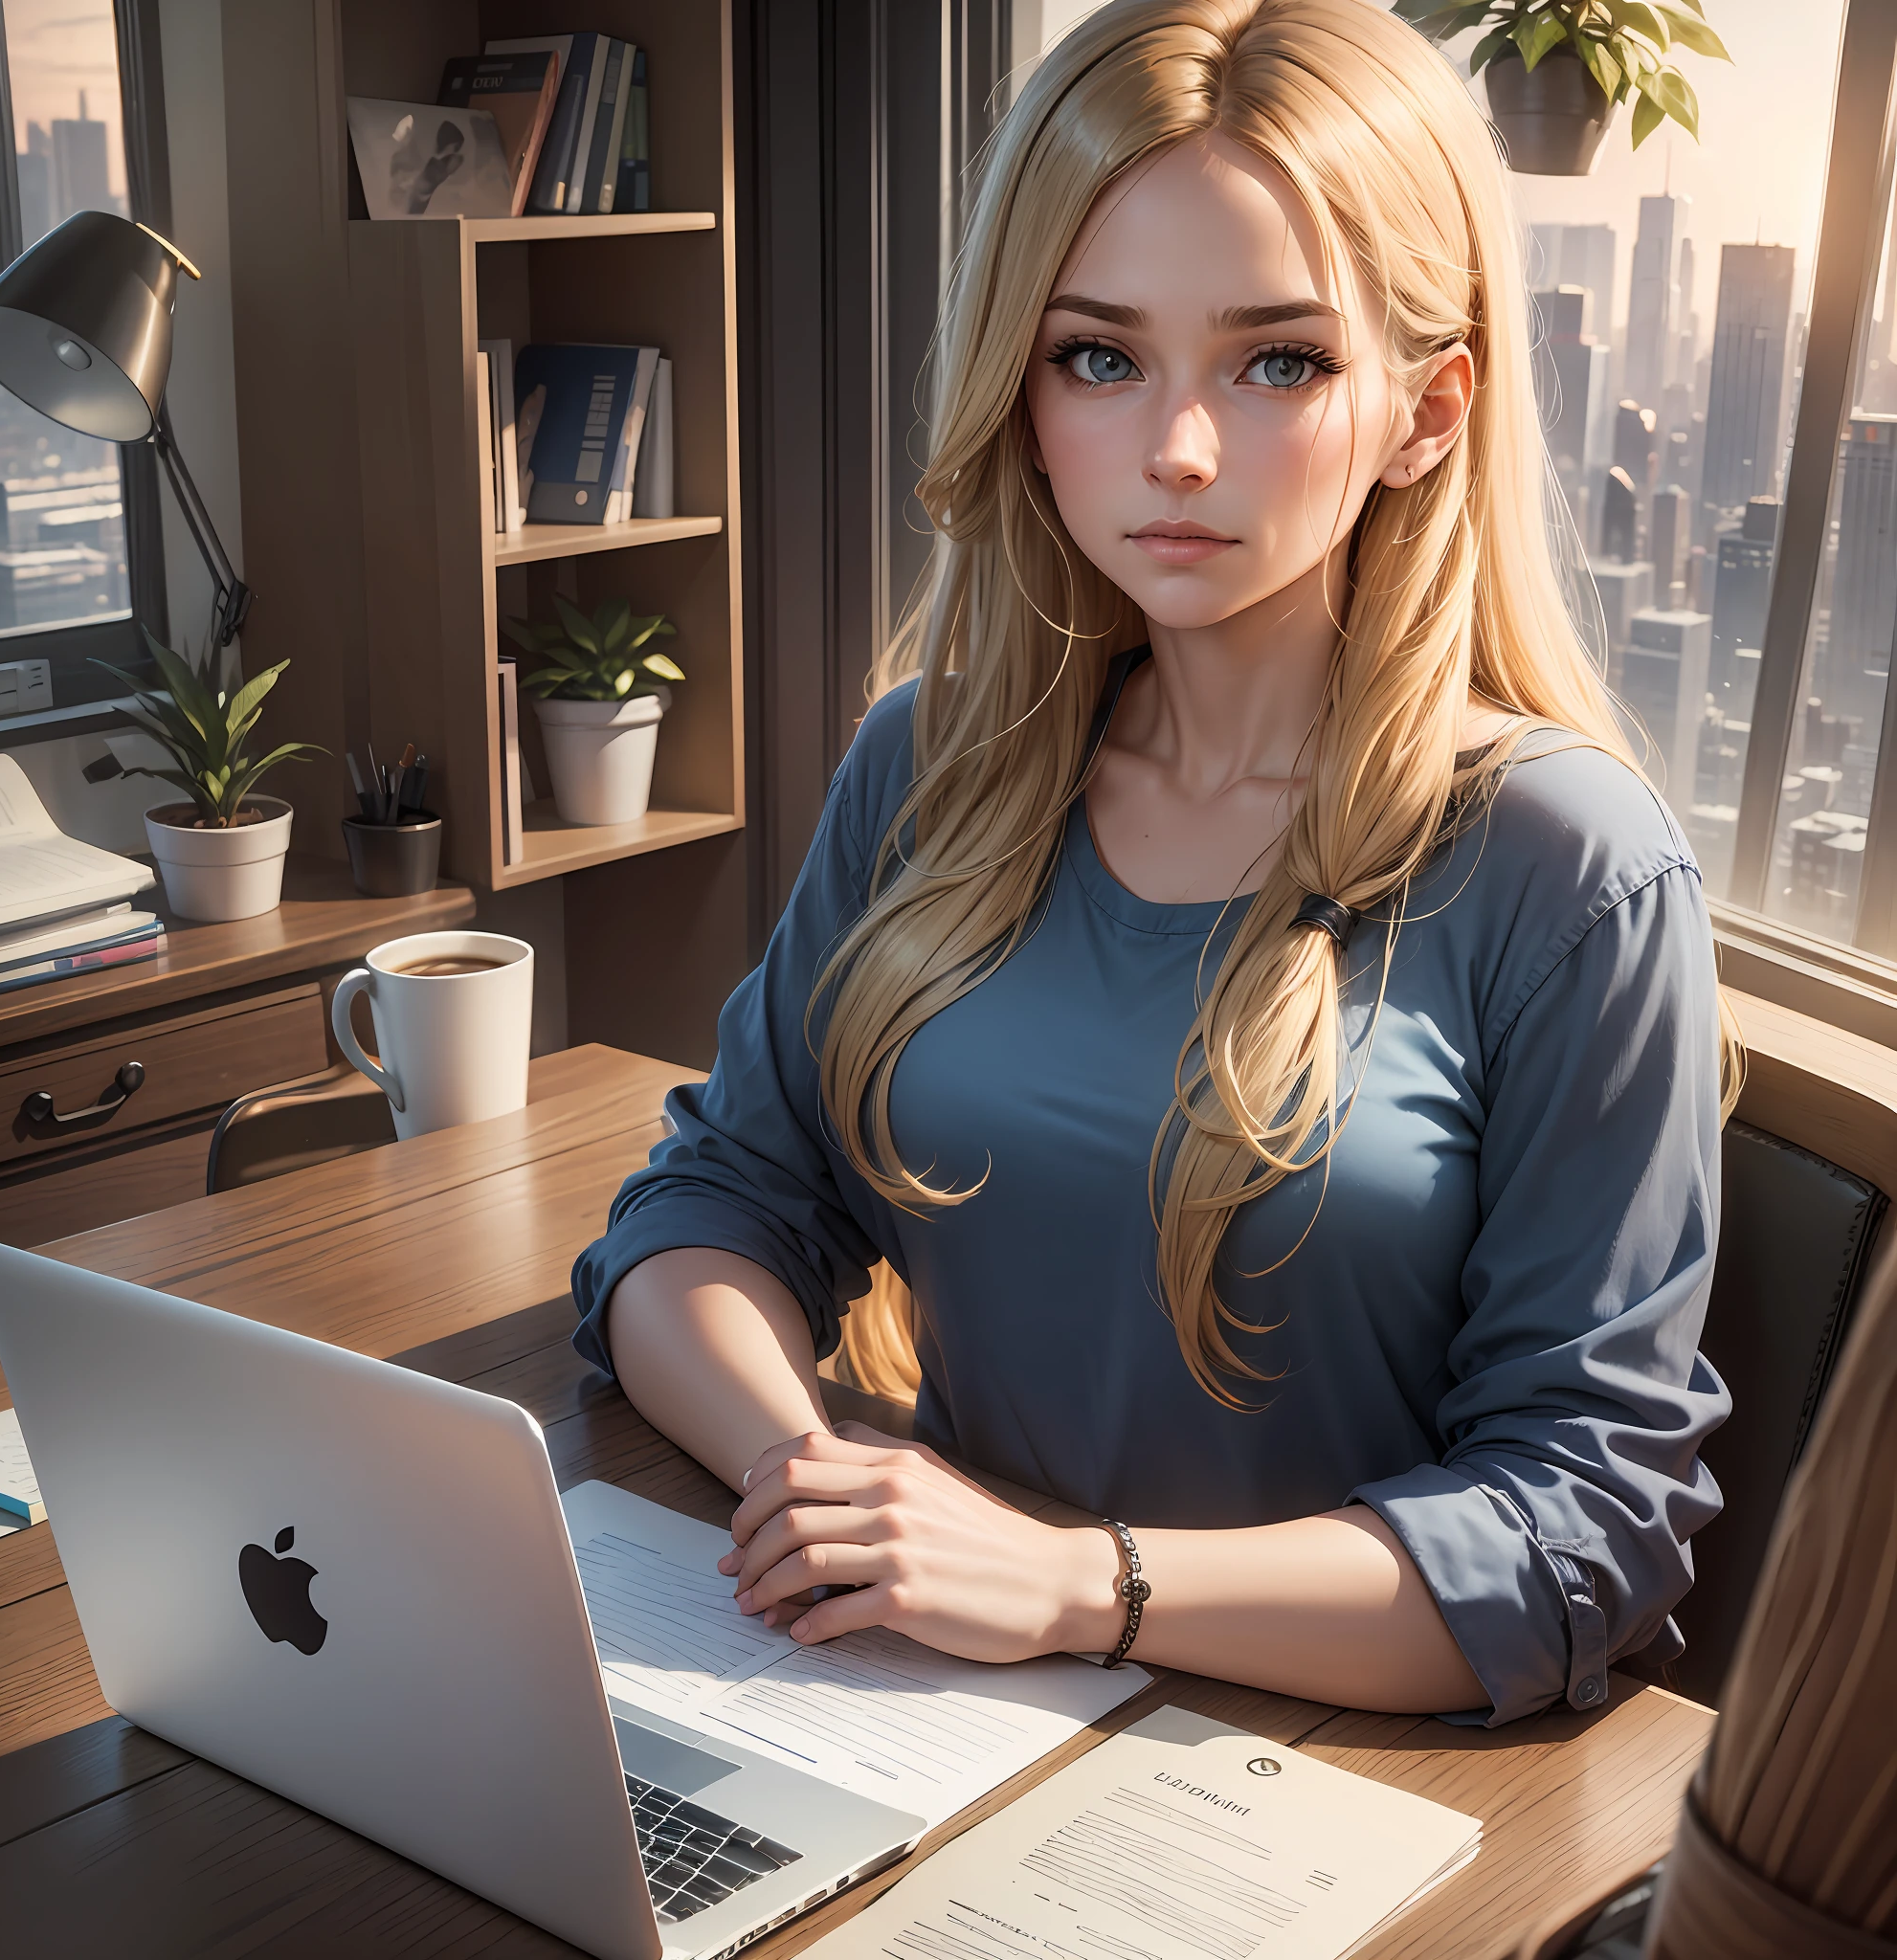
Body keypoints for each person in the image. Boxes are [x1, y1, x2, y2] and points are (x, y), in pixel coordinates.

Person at [573, 0, 1739, 1726]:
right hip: (931, 1696)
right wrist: (827, 1491)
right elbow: (708, 1213)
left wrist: (1072, 1583)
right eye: (1099, 357)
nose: (1176, 451)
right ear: (1022, 391)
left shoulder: (1570, 867)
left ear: (1427, 409)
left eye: (1280, 362)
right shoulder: (929, 765)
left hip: (1331, 1769)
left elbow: (1582, 1528)